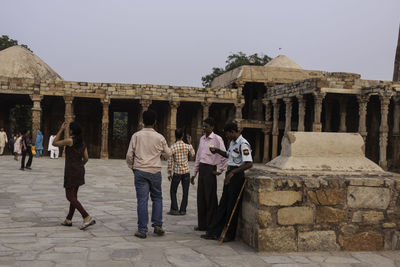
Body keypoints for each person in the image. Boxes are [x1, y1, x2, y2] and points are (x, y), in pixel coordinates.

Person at [201, 122, 253, 242]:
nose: (226, 136)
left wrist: (233, 173)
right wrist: (217, 151)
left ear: (232, 132)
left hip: (236, 175)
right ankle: (214, 232)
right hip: (230, 174)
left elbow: (249, 163)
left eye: (227, 134)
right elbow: (229, 155)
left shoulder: (243, 144)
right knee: (223, 204)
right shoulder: (233, 143)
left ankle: (229, 235)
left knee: (231, 206)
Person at [126, 109, 172, 239]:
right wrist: (161, 155)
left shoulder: (136, 136)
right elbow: (168, 154)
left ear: (142, 121)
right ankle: (157, 225)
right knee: (157, 198)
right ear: (155, 122)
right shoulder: (160, 137)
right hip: (155, 171)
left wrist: (133, 167)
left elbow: (129, 155)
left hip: (140, 170)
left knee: (142, 200)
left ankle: (142, 230)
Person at [53, 122, 95, 230]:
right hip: (80, 170)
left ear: (72, 131)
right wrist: (80, 166)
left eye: (69, 129)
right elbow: (86, 158)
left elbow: (54, 143)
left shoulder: (70, 141)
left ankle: (86, 216)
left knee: (69, 196)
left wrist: (61, 129)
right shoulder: (82, 143)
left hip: (71, 171)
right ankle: (68, 219)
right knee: (74, 196)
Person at [191, 117, 227, 231]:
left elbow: (224, 155)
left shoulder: (217, 139)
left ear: (212, 127)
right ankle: (202, 224)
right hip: (202, 168)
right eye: (204, 126)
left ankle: (211, 224)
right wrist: (194, 173)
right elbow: (198, 156)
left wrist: (220, 170)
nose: (204, 128)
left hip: (210, 169)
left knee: (210, 198)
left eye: (206, 126)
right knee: (201, 198)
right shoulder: (202, 139)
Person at [167, 128, 195, 216]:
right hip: (186, 172)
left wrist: (169, 173)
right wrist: (190, 143)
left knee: (173, 191)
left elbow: (170, 161)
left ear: (175, 136)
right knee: (185, 191)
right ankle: (183, 210)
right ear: (183, 136)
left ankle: (174, 209)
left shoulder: (173, 147)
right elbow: (193, 154)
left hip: (177, 172)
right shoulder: (187, 146)